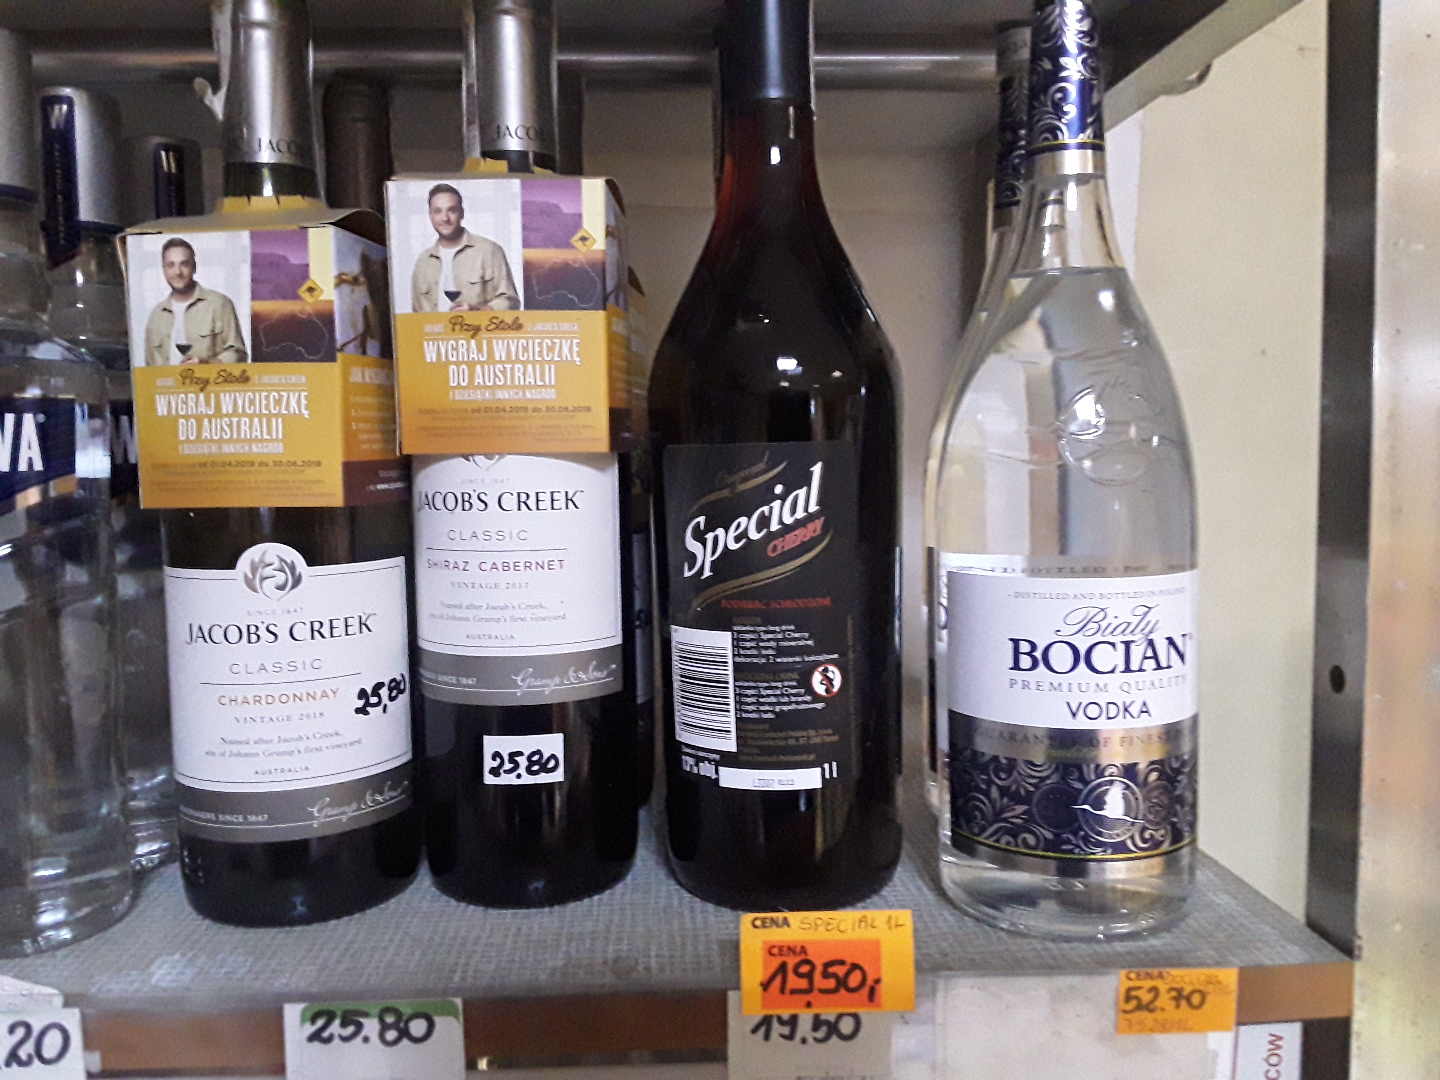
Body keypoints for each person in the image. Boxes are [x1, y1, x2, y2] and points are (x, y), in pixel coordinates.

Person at [411, 183, 520, 313]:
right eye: (438, 211)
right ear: (430, 216)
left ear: (462, 213)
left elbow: (510, 302)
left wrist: (477, 311)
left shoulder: (489, 251)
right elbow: (416, 315)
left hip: (477, 326)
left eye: (451, 210)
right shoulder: (423, 262)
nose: (445, 218)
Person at [142, 237, 247, 365]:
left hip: (208, 378)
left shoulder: (219, 304)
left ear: (194, 267)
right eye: (170, 265)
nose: (178, 272)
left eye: (184, 264)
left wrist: (207, 365)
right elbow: (149, 367)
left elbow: (238, 354)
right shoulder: (156, 316)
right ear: (164, 270)